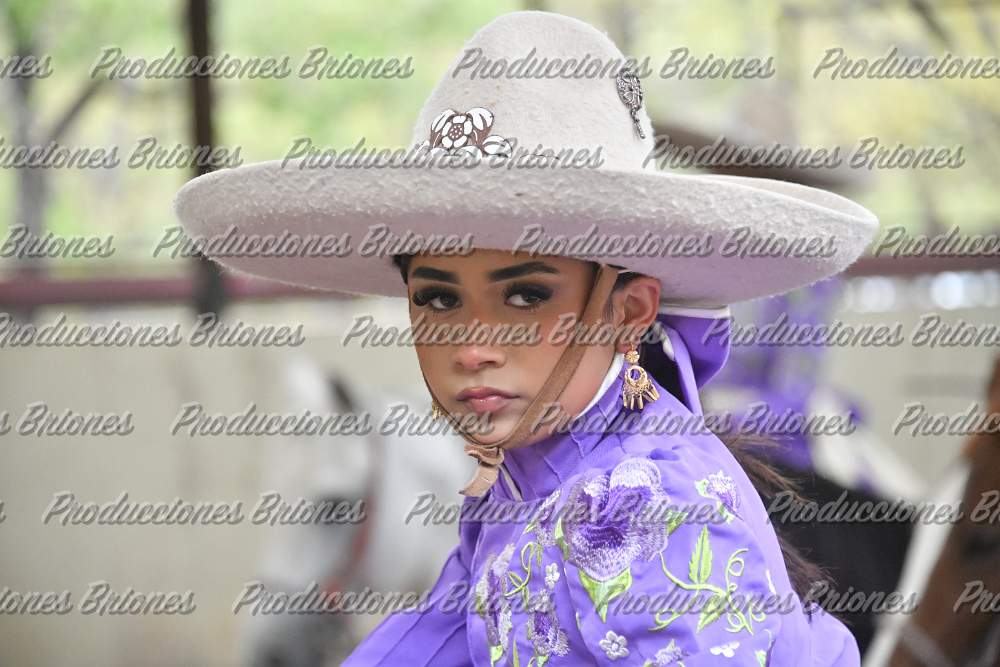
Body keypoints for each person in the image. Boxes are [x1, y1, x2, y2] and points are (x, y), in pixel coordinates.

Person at [173, 10, 879, 665]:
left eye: (526, 296)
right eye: (439, 299)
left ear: (629, 311)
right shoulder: (521, 484)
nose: (472, 346)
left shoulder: (647, 504)